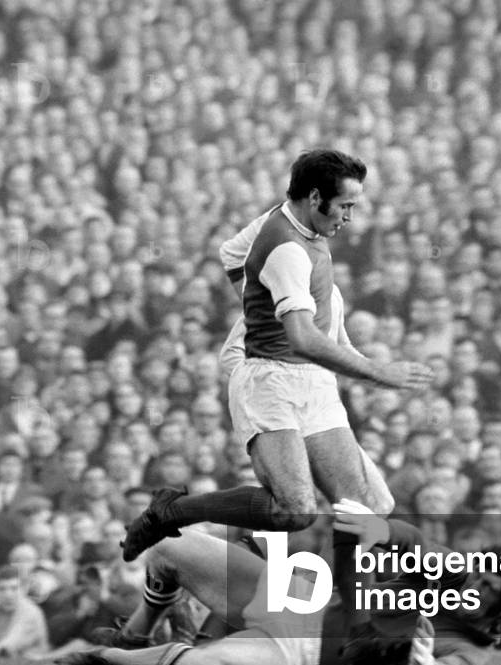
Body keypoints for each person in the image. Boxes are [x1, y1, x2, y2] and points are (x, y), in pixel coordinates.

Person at [121, 150, 432, 628]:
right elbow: (303, 338)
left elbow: (231, 254)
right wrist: (376, 371)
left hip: (311, 382)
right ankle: (174, 512)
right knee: (295, 510)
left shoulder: (286, 222)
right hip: (272, 382)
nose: (350, 217)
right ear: (314, 198)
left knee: (364, 509)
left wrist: (254, 306)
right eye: (345, 206)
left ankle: (355, 629)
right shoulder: (288, 249)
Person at [57, 499, 501, 665]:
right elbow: (411, 541)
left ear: (498, 617)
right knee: (168, 543)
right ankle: (138, 631)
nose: (473, 583)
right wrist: (383, 530)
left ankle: (108, 657)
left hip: (301, 655)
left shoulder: (473, 654)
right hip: (298, 597)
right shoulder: (451, 576)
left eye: (487, 588)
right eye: (480, 574)